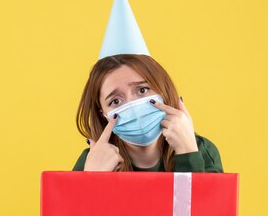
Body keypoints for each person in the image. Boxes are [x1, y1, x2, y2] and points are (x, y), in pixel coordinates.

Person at [72, 53, 223, 172]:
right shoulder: (92, 160)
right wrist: (92, 180)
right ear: (103, 115)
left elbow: (206, 211)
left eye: (142, 90)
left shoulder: (201, 150)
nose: (132, 106)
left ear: (162, 91)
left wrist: (188, 154)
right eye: (116, 101)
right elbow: (71, 212)